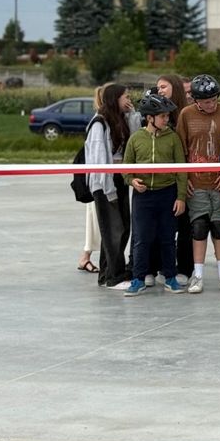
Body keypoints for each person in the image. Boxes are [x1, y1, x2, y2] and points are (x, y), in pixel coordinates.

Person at [121, 94, 187, 297]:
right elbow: (126, 168)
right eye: (163, 117)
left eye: (167, 116)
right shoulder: (136, 138)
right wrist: (132, 181)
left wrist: (181, 197)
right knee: (141, 239)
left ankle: (170, 277)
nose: (166, 120)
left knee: (168, 238)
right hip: (143, 197)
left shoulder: (173, 138)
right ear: (150, 118)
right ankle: (138, 279)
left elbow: (182, 169)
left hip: (167, 194)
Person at [176, 73, 220, 293]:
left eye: (214, 100)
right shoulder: (186, 115)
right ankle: (197, 276)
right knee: (199, 228)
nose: (211, 105)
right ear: (195, 100)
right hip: (197, 181)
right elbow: (181, 147)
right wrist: (185, 177)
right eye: (206, 101)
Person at [86, 82, 139, 289]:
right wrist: (108, 190)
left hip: (119, 179)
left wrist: (132, 114)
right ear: (114, 98)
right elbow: (99, 162)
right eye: (125, 96)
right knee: (113, 229)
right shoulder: (100, 123)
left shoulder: (122, 120)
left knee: (123, 227)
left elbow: (134, 140)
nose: (129, 99)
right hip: (104, 182)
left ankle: (108, 272)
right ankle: (113, 277)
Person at [156, 73, 191, 284]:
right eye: (158, 87)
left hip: (184, 179)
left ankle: (185, 268)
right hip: (164, 183)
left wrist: (187, 181)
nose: (159, 90)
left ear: (175, 88)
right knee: (164, 227)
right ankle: (163, 265)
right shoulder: (158, 116)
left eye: (163, 87)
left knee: (185, 226)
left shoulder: (185, 114)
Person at [78, 85, 104, 274]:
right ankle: (85, 257)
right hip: (97, 182)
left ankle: (85, 256)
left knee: (95, 221)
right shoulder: (98, 122)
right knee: (95, 221)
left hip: (96, 181)